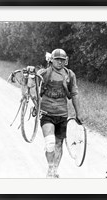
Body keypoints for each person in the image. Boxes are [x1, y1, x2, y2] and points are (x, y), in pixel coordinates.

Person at [37, 48, 82, 178]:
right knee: (50, 142)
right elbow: (33, 89)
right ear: (51, 60)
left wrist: (78, 113)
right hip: (47, 112)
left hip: (62, 114)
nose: (60, 62)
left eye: (62, 60)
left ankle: (55, 169)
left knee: (58, 144)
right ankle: (50, 168)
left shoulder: (70, 75)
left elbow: (74, 94)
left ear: (65, 61)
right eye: (57, 59)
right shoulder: (44, 73)